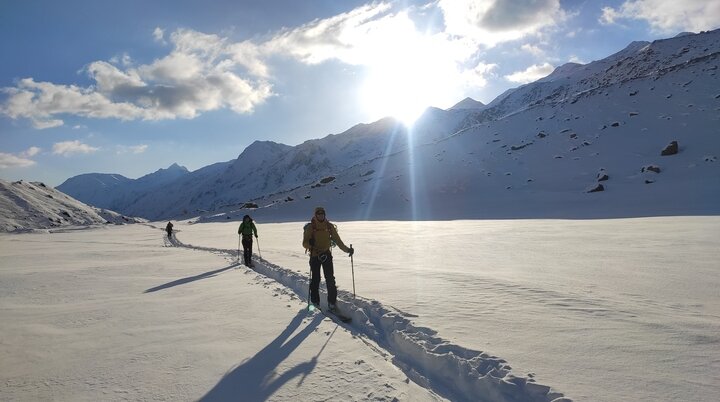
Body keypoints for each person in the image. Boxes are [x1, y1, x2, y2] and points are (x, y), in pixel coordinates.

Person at [302, 206, 354, 311]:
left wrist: (348, 250)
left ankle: (332, 302)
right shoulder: (310, 228)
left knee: (330, 279)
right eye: (318, 214)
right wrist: (309, 244)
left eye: (322, 214)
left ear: (324, 215)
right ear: (315, 215)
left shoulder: (329, 226)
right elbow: (304, 243)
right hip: (314, 256)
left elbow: (338, 241)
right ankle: (315, 302)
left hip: (326, 255)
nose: (320, 216)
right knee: (316, 279)